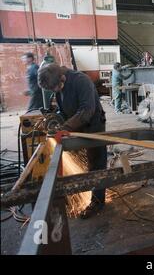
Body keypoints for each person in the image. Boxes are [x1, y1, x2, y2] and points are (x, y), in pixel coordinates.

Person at [38, 64, 107, 219]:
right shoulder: (57, 83)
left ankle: (98, 201)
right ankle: (79, 194)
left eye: (56, 87)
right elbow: (63, 108)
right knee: (79, 160)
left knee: (96, 165)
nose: (56, 91)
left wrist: (65, 127)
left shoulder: (82, 81)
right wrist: (56, 118)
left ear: (62, 77)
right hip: (73, 126)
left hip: (92, 127)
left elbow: (86, 111)